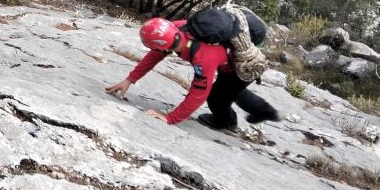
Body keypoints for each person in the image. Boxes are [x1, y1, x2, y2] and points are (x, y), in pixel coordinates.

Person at [105, 17, 279, 129]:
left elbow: (199, 93)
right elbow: (154, 56)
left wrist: (170, 118)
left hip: (239, 67)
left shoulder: (203, 57)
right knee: (228, 91)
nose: (154, 50)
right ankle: (265, 111)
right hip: (224, 57)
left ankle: (227, 122)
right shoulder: (178, 28)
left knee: (216, 98)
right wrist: (129, 79)